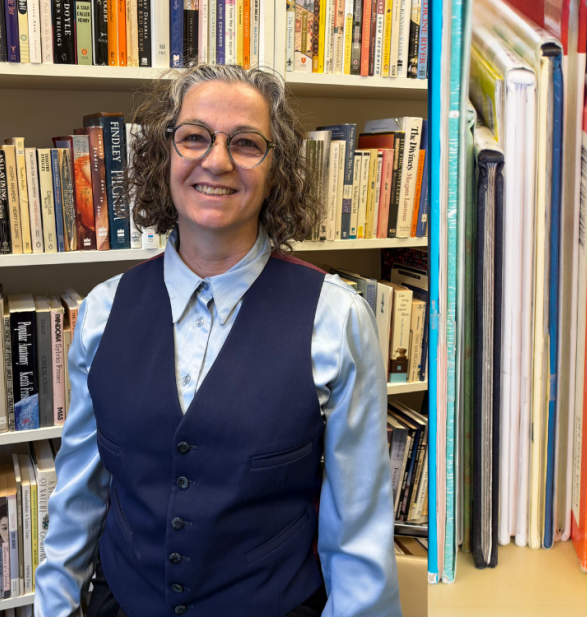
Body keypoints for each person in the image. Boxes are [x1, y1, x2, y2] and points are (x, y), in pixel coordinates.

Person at [34, 64, 401, 617]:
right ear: (165, 156)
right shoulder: (102, 313)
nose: (217, 160)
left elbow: (357, 537)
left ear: (278, 170)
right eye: (194, 137)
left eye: (247, 143)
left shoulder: (337, 319)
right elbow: (79, 496)